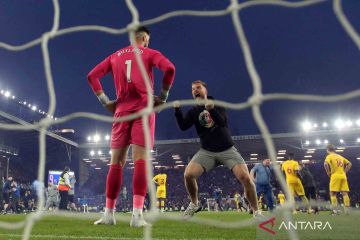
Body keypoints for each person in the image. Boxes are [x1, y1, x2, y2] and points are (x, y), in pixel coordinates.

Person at [88, 26, 175, 226]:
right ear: (144, 38)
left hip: (120, 110)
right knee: (141, 161)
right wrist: (162, 97)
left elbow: (91, 76)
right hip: (143, 109)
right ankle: (137, 216)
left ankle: (109, 214)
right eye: (147, 40)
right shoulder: (150, 53)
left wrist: (105, 101)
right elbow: (170, 69)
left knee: (116, 162)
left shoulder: (115, 55)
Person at [173, 80, 261, 218]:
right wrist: (177, 111)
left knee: (246, 178)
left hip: (227, 149)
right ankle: (195, 203)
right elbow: (183, 127)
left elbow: (222, 122)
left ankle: (256, 211)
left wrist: (211, 109)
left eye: (198, 88)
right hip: (207, 151)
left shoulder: (218, 105)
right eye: (192, 89)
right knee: (188, 175)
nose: (195, 90)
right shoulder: (193, 111)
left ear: (205, 90)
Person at [324, 144, 352, 214]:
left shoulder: (329, 156)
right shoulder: (340, 156)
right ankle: (347, 210)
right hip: (343, 176)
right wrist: (344, 172)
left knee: (332, 193)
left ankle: (335, 210)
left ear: (327, 149)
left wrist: (328, 172)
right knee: (345, 193)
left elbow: (325, 164)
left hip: (335, 176)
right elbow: (349, 164)